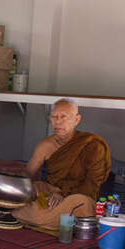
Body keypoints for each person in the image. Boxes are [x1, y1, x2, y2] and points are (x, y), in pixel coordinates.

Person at [12, 99, 111, 232]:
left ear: (76, 120)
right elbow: (28, 173)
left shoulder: (92, 145)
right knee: (33, 189)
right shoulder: (46, 145)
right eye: (54, 117)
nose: (58, 122)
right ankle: (47, 215)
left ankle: (25, 214)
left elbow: (92, 185)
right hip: (50, 195)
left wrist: (63, 195)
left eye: (64, 117)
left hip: (79, 198)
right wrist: (29, 186)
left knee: (41, 213)